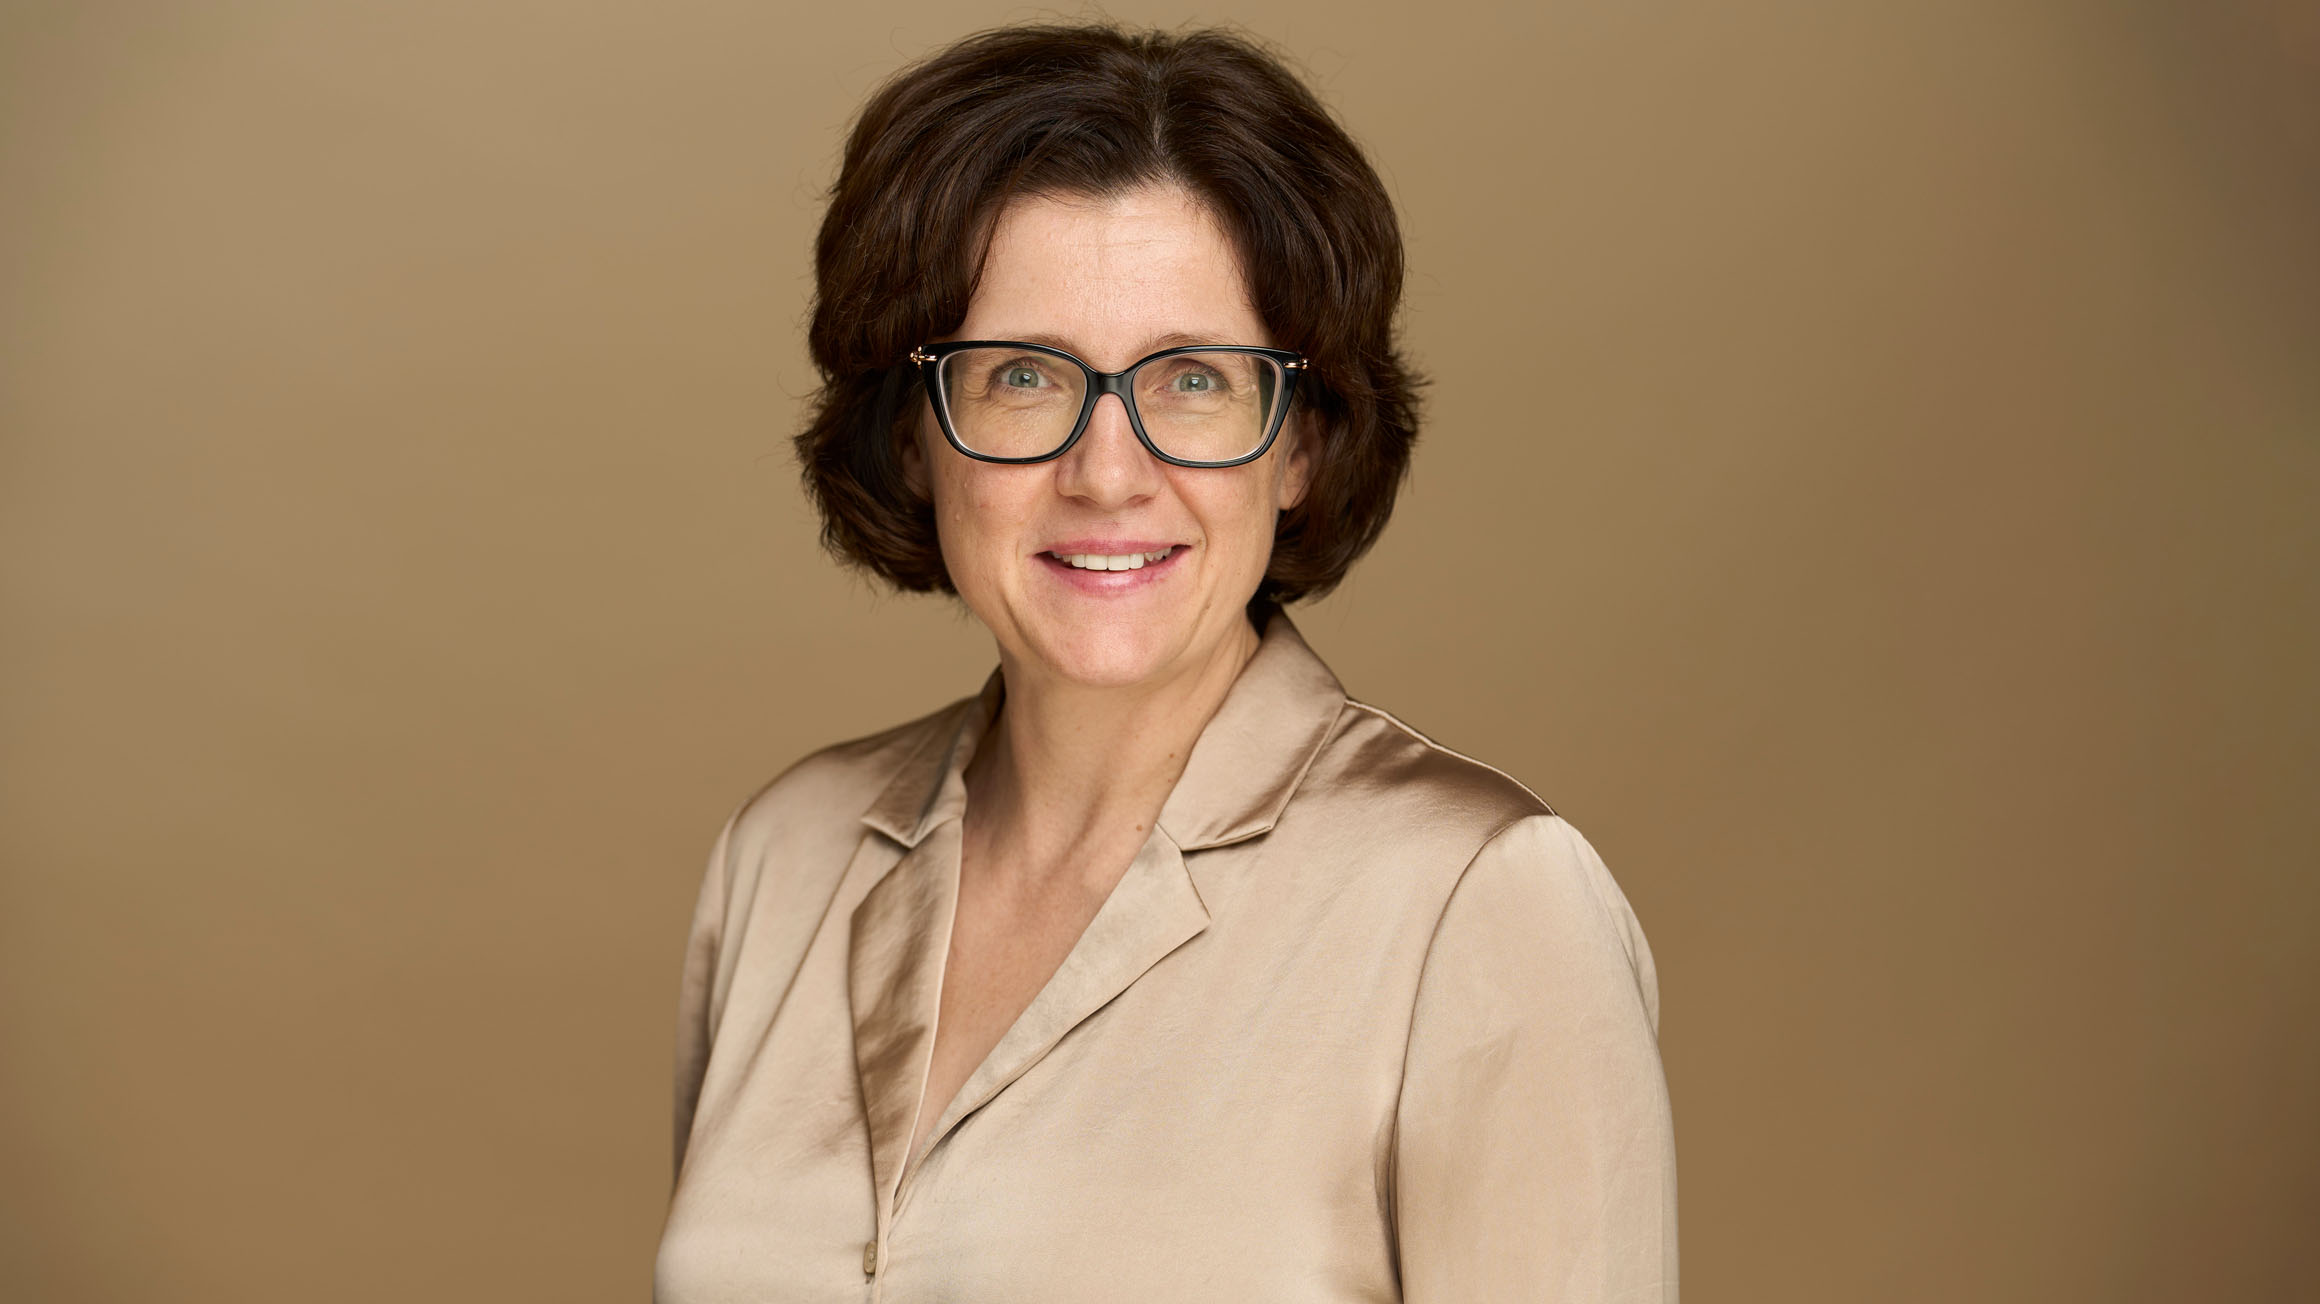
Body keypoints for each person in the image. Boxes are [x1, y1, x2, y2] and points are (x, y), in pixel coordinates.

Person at [653, 22, 1676, 1303]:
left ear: (1299, 446)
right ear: (911, 436)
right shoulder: (784, 856)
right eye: (1022, 375)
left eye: (1192, 378)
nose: (1108, 470)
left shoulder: (1481, 903)